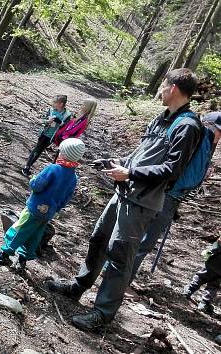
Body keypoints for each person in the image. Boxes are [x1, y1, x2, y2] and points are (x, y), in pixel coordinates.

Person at [46, 68, 202, 332]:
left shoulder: (187, 126)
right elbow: (143, 154)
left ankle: (102, 314)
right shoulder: (161, 118)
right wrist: (117, 163)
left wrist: (130, 172)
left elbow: (172, 170)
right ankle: (78, 286)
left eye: (163, 85)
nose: (160, 91)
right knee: (98, 239)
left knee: (120, 256)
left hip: (142, 202)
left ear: (174, 88)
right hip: (124, 191)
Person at [129, 111, 220, 281]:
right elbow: (182, 170)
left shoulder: (206, 141)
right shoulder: (201, 137)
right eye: (219, 132)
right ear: (211, 126)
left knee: (143, 239)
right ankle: (121, 280)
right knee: (144, 240)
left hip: (173, 194)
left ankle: (118, 276)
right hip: (169, 193)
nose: (219, 137)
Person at [0, 138, 86, 270]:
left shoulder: (53, 169)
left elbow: (37, 186)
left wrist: (32, 179)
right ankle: (23, 259)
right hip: (49, 213)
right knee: (35, 234)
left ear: (63, 154)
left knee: (20, 228)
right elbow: (67, 198)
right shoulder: (73, 177)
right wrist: (56, 208)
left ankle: (4, 253)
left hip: (34, 208)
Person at [22, 95, 73, 177]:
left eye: (55, 103)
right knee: (37, 149)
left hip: (53, 136)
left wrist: (60, 122)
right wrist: (48, 121)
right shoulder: (51, 110)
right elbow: (44, 120)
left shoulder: (67, 114)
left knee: (41, 150)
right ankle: (26, 167)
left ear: (61, 104)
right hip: (44, 133)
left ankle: (32, 168)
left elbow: (66, 127)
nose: (53, 104)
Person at [184, 239, 221, 315]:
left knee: (201, 276)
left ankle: (189, 289)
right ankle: (204, 303)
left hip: (212, 263)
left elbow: (215, 246)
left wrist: (207, 253)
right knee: (214, 285)